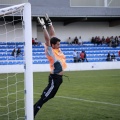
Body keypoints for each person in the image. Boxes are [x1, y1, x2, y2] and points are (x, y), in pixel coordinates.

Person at [34, 14, 67, 118]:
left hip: (59, 78)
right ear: (52, 45)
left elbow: (53, 35)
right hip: (54, 78)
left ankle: (33, 111)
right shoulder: (50, 51)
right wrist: (43, 27)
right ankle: (32, 113)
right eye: (58, 44)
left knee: (50, 96)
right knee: (44, 98)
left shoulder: (56, 49)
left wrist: (50, 23)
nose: (59, 46)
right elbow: (48, 39)